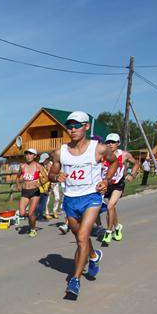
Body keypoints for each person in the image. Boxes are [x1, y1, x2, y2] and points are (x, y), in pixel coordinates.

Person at [46, 111, 116, 299]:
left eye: (77, 125)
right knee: (80, 237)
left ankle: (75, 280)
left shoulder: (98, 149)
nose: (72, 129)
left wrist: (106, 180)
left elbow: (114, 162)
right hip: (70, 199)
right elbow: (51, 174)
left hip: (91, 197)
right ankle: (93, 256)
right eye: (69, 126)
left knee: (83, 236)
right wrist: (56, 176)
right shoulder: (60, 152)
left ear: (86, 126)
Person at [99, 133, 139, 245]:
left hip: (118, 184)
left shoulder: (124, 154)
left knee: (110, 206)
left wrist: (132, 175)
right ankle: (117, 227)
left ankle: (108, 232)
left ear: (118, 143)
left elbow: (136, 163)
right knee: (111, 208)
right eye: (108, 142)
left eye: (113, 142)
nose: (110, 144)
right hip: (106, 184)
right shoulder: (102, 155)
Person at [15, 148, 43, 237]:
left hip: (35, 192)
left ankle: (33, 229)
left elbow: (46, 177)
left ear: (34, 156)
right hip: (25, 192)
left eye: (30, 154)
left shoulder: (38, 166)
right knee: (22, 213)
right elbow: (17, 177)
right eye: (26, 154)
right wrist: (17, 185)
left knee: (30, 213)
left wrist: (40, 184)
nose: (28, 156)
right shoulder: (22, 166)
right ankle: (32, 217)